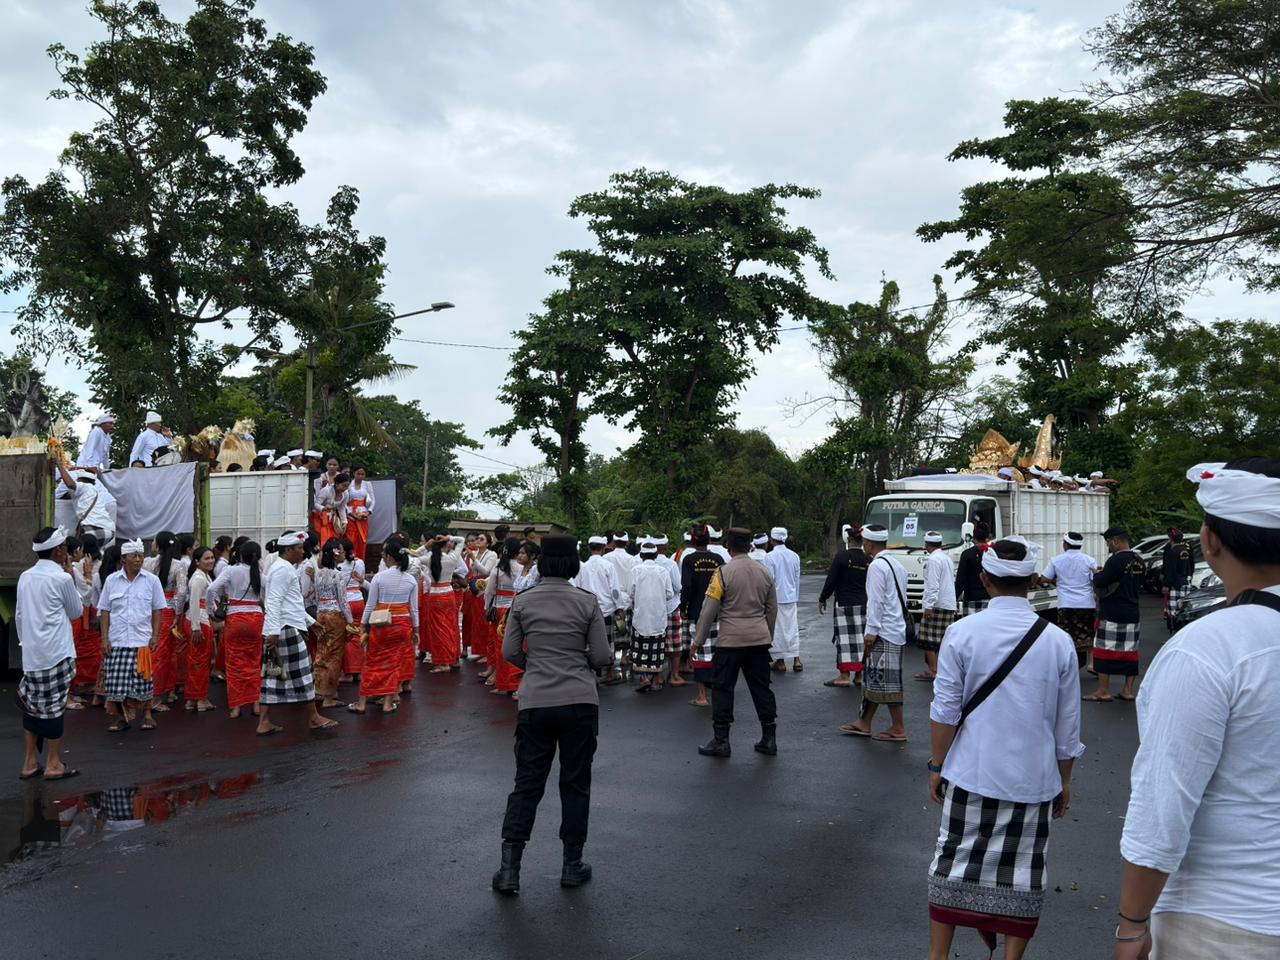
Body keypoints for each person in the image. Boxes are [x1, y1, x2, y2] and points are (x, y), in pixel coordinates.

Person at [1112, 458, 1280, 960]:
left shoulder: (1206, 649)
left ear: (1209, 541)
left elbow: (1163, 804)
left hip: (1223, 923)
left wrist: (1131, 925)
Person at [925, 537, 1084, 960]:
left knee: (952, 865)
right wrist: (1065, 780)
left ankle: (937, 956)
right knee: (1023, 873)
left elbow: (945, 711)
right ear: (1032, 582)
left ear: (984, 579)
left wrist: (937, 765)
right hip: (1034, 780)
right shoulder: (1058, 641)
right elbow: (1067, 725)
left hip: (971, 773)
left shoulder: (962, 633)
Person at [492, 535, 612, 894]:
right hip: (579, 701)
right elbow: (602, 656)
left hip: (535, 702)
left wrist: (535, 665)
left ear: (542, 563)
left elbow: (509, 651)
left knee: (527, 784)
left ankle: (510, 870)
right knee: (575, 783)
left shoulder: (524, 600)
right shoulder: (586, 602)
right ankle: (572, 865)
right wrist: (579, 661)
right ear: (573, 563)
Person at [693, 527, 778, 758]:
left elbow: (708, 610)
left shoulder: (723, 573)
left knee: (723, 688)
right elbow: (772, 609)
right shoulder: (764, 572)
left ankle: (721, 740)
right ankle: (769, 738)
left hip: (730, 640)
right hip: (758, 640)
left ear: (728, 547)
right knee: (762, 688)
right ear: (749, 546)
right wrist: (767, 635)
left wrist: (698, 640)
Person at [15, 526, 85, 780]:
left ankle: (30, 762)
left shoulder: (25, 577)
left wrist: (27, 644)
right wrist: (71, 576)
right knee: (54, 707)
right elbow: (76, 611)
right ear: (58, 551)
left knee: (32, 706)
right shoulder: (61, 578)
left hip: (32, 654)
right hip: (56, 652)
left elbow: (20, 616)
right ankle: (54, 764)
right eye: (65, 547)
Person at [257, 531, 338, 735]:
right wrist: (273, 631)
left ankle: (264, 722)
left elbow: (290, 603)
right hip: (285, 630)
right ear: (288, 550)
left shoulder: (283, 568)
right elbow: (274, 601)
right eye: (299, 548)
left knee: (273, 676)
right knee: (303, 674)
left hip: (282, 628)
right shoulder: (283, 570)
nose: (303, 552)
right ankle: (314, 717)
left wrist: (310, 622)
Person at [839, 523, 910, 742]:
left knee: (887, 681)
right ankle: (864, 722)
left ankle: (898, 728)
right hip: (895, 627)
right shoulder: (896, 564)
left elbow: (876, 602)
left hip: (884, 630)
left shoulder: (877, 566)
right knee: (874, 678)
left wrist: (871, 631)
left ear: (869, 544)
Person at [97, 538, 166, 732]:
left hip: (142, 639)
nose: (138, 559)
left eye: (141, 556)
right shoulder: (111, 580)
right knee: (117, 683)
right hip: (117, 639)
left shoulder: (152, 580)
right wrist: (104, 638)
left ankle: (148, 715)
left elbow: (158, 610)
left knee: (144, 680)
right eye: (134, 556)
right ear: (123, 559)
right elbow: (104, 610)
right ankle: (122, 718)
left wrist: (156, 636)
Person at [352, 539, 419, 715]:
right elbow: (414, 609)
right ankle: (388, 703)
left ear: (389, 557)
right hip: (403, 625)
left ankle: (362, 703)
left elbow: (370, 605)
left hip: (382, 624)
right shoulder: (410, 580)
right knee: (394, 662)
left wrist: (363, 625)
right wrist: (416, 630)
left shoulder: (379, 577)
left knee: (372, 660)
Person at [205, 540, 265, 720]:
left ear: (239, 555)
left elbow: (211, 589)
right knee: (254, 661)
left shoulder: (230, 570)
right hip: (256, 619)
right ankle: (256, 704)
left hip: (235, 618)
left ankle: (236, 707)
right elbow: (267, 598)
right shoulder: (261, 574)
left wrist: (211, 611)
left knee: (234, 663)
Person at [1085, 527, 1145, 703]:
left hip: (1112, 611)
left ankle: (1103, 691)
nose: (1108, 546)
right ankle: (1127, 691)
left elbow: (1101, 581)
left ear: (1115, 541)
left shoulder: (1116, 560)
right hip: (1132, 612)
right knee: (1130, 651)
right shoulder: (1139, 560)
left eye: (1108, 543)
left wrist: (1097, 574)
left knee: (1105, 650)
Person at [305, 539, 355, 709]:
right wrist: (350, 621)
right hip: (335, 615)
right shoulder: (338, 575)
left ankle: (320, 689)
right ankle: (329, 697)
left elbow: (317, 598)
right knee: (334, 656)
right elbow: (343, 601)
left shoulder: (318, 574)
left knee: (322, 653)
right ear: (335, 554)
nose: (343, 554)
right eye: (340, 551)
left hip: (321, 614)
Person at [1038, 532, 1098, 669]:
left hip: (1066, 604)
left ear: (1065, 544)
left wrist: (1057, 579)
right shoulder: (1089, 560)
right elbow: (1094, 579)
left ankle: (1068, 663)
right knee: (1087, 634)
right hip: (1086, 603)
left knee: (1066, 635)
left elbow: (1045, 578)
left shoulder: (1056, 560)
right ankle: (1089, 663)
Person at [681, 525, 724, 707]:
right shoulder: (718, 559)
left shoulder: (689, 560)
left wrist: (683, 607)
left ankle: (702, 696)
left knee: (698, 651)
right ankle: (717, 692)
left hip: (696, 611)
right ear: (709, 540)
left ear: (693, 541)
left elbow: (687, 586)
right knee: (715, 651)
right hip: (717, 612)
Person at [142, 531, 186, 711]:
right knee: (165, 655)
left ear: (158, 545)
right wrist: (177, 614)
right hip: (168, 612)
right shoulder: (179, 565)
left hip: (149, 611)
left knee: (156, 654)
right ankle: (157, 695)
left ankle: (157, 692)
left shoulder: (147, 563)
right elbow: (181, 592)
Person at [629, 539, 676, 693]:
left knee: (640, 649)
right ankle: (656, 681)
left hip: (640, 616)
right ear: (656, 555)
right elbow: (670, 593)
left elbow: (631, 592)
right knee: (656, 650)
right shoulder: (663, 571)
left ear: (641, 555)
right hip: (658, 617)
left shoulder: (636, 570)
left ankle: (643, 678)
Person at [576, 536, 624, 684]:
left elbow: (578, 587)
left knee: (590, 642)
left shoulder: (583, 567)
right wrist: (619, 607)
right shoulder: (608, 566)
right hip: (606, 610)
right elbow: (614, 589)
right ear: (603, 548)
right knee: (608, 642)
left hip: (587, 609)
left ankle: (593, 674)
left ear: (589, 548)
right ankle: (609, 673)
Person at [485, 538, 525, 698]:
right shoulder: (523, 569)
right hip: (517, 609)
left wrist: (487, 608)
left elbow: (489, 591)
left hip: (500, 610)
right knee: (517, 645)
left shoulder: (498, 569)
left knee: (500, 647)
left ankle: (503, 684)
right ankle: (516, 683)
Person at [917, 530, 957, 681]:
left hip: (937, 604)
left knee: (928, 639)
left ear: (927, 545)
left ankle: (933, 670)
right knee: (941, 640)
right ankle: (939, 670)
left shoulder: (933, 560)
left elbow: (933, 585)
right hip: (948, 603)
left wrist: (929, 606)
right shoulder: (946, 558)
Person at [424, 534, 466, 674]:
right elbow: (462, 540)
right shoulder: (452, 558)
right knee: (450, 627)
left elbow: (412, 558)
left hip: (435, 595)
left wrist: (425, 546)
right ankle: (453, 659)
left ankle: (443, 662)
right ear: (445, 545)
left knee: (438, 630)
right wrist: (449, 537)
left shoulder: (429, 559)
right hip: (448, 594)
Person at [763, 527, 802, 673]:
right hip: (791, 598)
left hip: (776, 598)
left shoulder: (769, 557)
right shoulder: (794, 556)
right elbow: (797, 579)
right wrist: (795, 596)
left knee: (778, 630)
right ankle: (797, 659)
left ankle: (780, 661)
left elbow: (769, 580)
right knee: (792, 628)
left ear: (772, 540)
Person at [182, 546, 217, 712]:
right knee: (200, 662)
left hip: (198, 620)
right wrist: (196, 627)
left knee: (196, 661)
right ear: (197, 561)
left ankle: (192, 699)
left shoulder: (203, 576)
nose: (211, 561)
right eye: (206, 558)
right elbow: (194, 602)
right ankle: (201, 699)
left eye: (212, 557)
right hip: (198, 622)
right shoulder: (199, 578)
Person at [651, 535, 686, 687]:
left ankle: (658, 676)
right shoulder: (670, 564)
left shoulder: (647, 564)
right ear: (665, 546)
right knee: (676, 644)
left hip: (654, 609)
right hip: (671, 607)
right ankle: (674, 675)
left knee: (657, 643)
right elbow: (678, 587)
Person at [56, 464, 116, 548]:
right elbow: (67, 494)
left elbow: (70, 484)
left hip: (97, 528)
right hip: (107, 529)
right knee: (90, 551)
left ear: (81, 480)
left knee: (78, 549)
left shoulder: (85, 487)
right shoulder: (91, 490)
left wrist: (59, 465)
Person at [1160, 526, 1195, 631]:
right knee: (1184, 606)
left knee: (1174, 609)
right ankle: (1184, 628)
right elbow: (1191, 565)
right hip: (1185, 581)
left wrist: (1166, 584)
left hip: (1175, 584)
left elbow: (1170, 570)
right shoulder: (1185, 550)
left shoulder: (1172, 552)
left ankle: (1175, 629)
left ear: (1170, 539)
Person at [954, 520, 991, 616]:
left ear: (974, 538)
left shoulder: (967, 554)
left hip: (971, 598)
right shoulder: (993, 553)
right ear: (988, 537)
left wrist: (955, 598)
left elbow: (960, 580)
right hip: (990, 598)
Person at [346, 466, 375, 561]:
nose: (360, 476)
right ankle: (350, 559)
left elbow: (373, 500)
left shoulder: (367, 484)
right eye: (358, 473)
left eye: (362, 474)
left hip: (363, 515)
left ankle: (360, 561)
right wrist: (351, 513)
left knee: (362, 539)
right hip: (351, 516)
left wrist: (368, 512)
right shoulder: (348, 484)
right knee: (351, 538)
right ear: (354, 473)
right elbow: (343, 501)